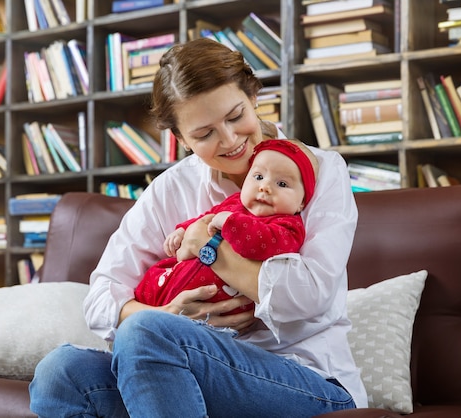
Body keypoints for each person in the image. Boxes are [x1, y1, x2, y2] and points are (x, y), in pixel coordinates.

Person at [29, 37, 367, 417]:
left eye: (236, 115)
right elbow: (101, 297)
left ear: (253, 97)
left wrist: (209, 245)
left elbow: (312, 295)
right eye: (204, 134)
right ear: (181, 140)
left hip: (309, 381)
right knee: (62, 371)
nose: (229, 140)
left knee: (147, 333)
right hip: (190, 377)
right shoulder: (172, 188)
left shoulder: (320, 170)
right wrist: (171, 315)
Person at [134, 139, 318, 316]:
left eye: (282, 184)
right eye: (259, 177)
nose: (265, 187)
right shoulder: (235, 202)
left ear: (301, 203)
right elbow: (205, 219)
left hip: (214, 308)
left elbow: (265, 244)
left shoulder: (288, 226)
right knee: (143, 304)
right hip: (172, 280)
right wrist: (183, 231)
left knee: (149, 328)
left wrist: (232, 224)